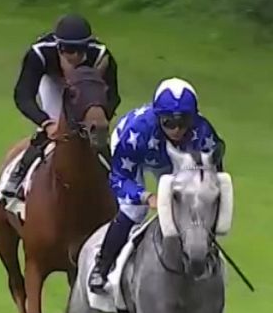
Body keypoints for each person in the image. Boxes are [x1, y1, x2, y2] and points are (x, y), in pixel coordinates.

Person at [89, 78, 225, 293]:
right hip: (139, 155)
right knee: (134, 210)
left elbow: (213, 173)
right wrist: (146, 196)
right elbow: (119, 179)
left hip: (176, 160)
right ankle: (101, 266)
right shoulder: (137, 133)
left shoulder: (203, 133)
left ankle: (204, 254)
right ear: (157, 117)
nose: (178, 130)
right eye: (169, 123)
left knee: (194, 202)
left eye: (184, 122)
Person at [0, 13, 122, 200]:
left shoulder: (101, 56)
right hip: (53, 82)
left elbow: (113, 96)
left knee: (98, 138)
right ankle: (17, 175)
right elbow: (23, 95)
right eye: (70, 50)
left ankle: (119, 180)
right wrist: (46, 123)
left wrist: (98, 119)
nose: (76, 56)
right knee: (55, 125)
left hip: (88, 88)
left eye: (81, 50)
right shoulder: (40, 54)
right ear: (58, 46)